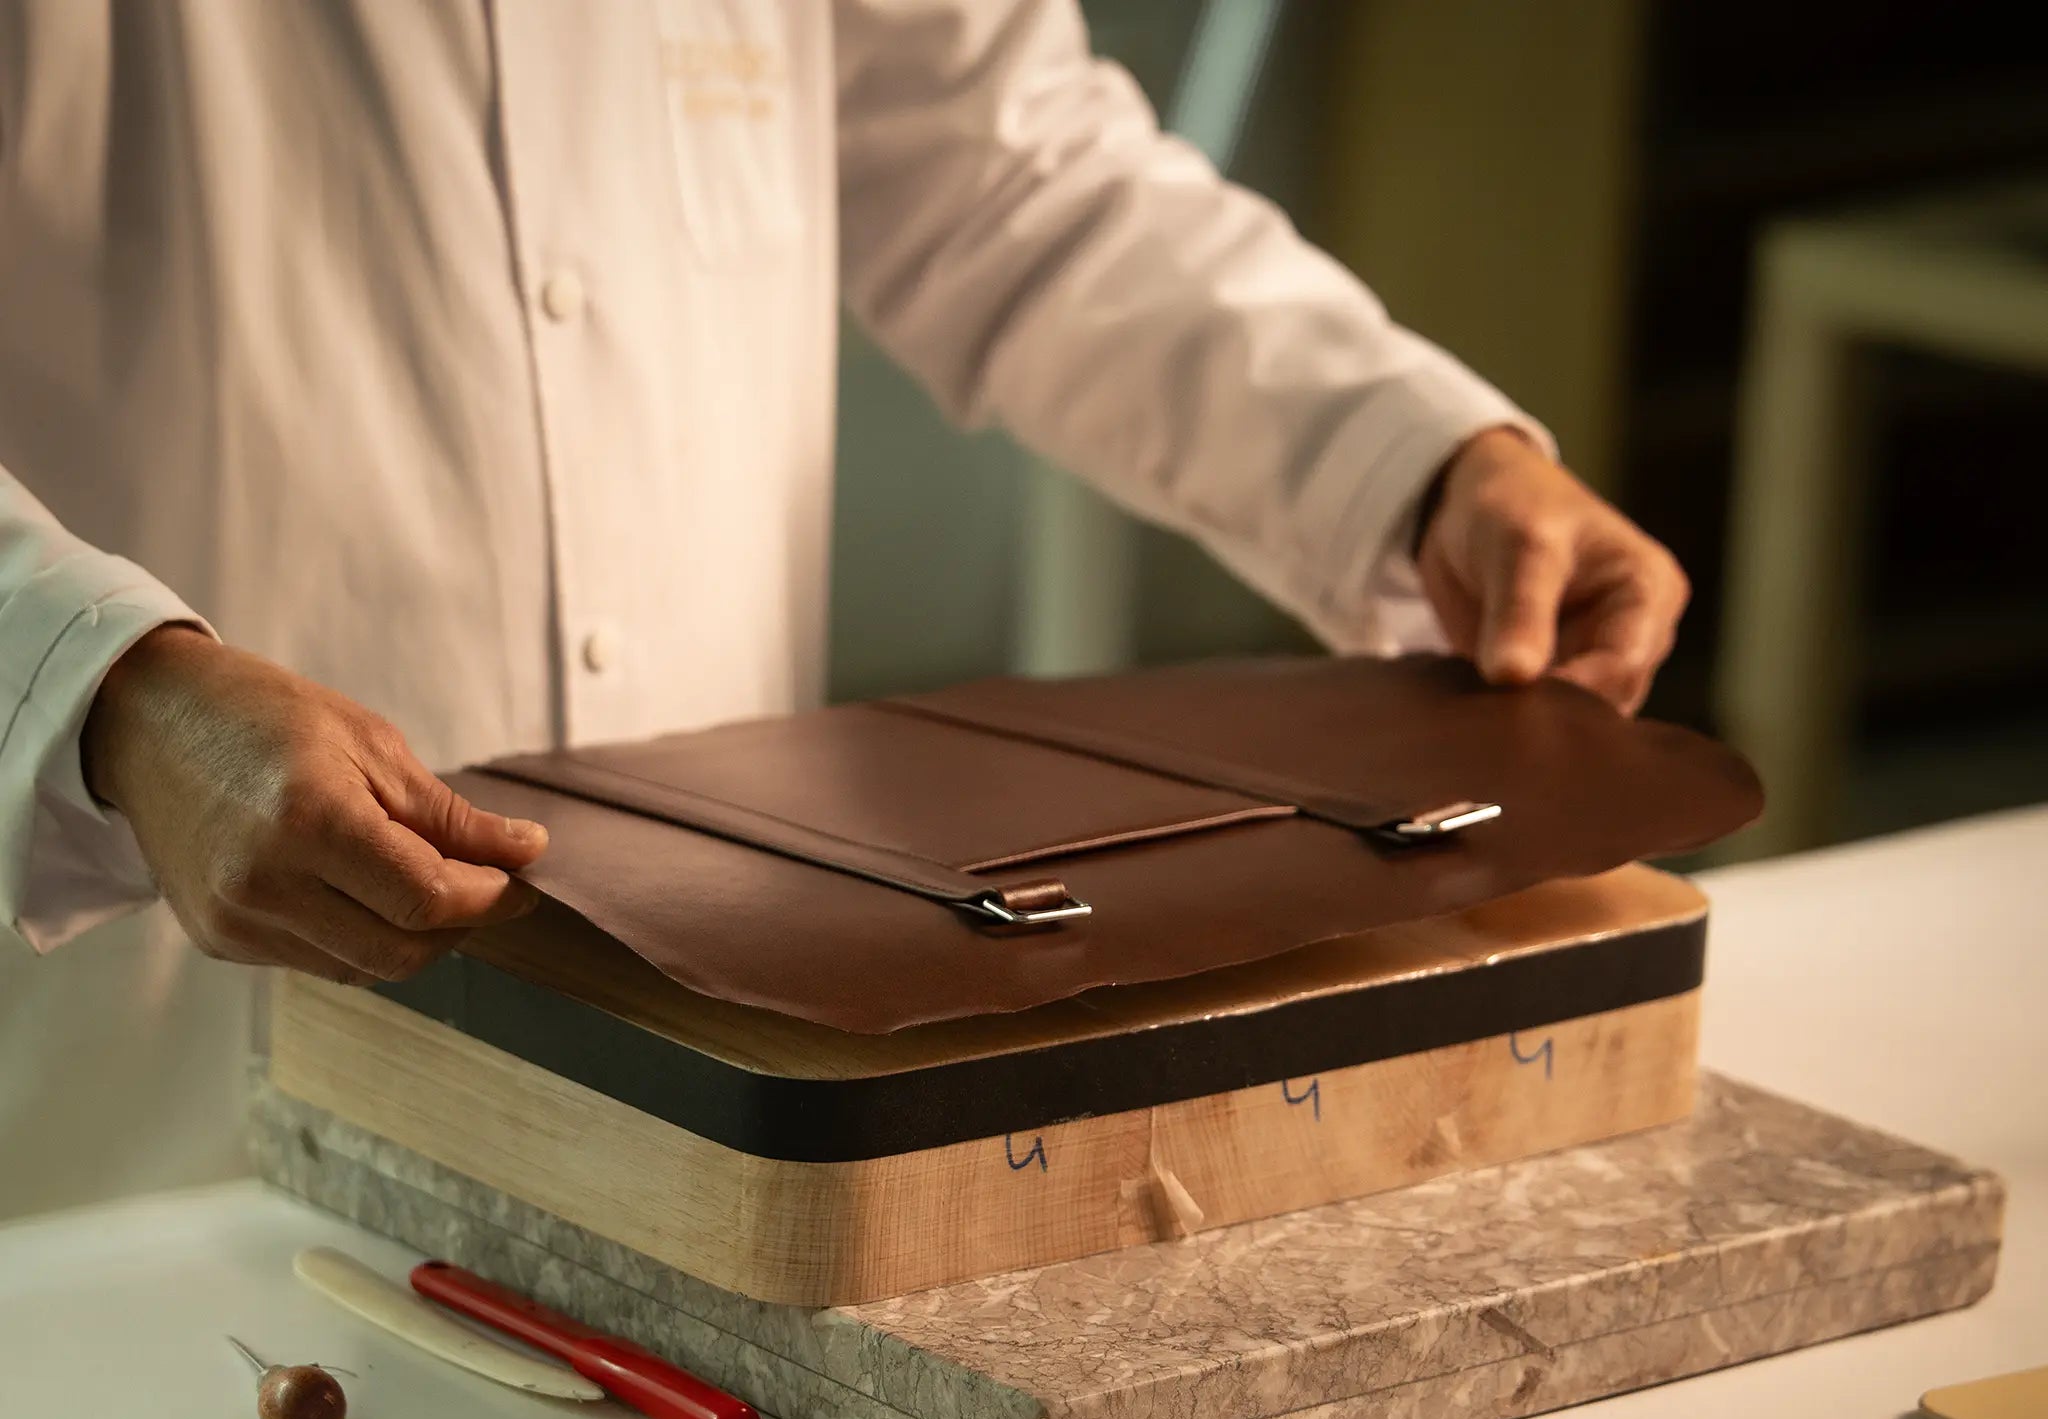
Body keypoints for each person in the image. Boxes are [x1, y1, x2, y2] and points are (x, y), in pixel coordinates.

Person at [0, 0, 1687, 1213]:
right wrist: (107, 695)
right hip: (126, 1143)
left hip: (713, 1110)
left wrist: (1408, 454)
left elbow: (1005, 174)